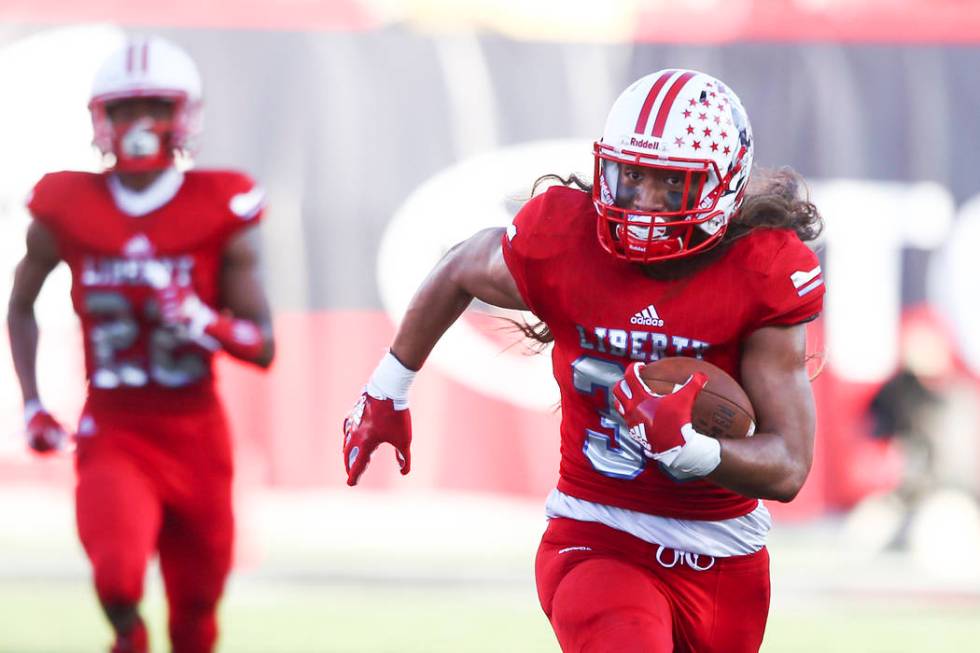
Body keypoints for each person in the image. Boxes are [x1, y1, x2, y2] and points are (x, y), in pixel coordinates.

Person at [343, 68, 825, 652]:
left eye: (670, 185)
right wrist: (387, 389)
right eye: (630, 177)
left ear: (721, 186)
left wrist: (691, 448)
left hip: (724, 555)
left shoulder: (761, 273)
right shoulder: (568, 242)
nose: (644, 203)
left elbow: (789, 467)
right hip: (598, 530)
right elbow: (460, 266)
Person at [7, 36, 274, 653]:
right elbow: (20, 304)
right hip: (116, 425)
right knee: (118, 578)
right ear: (101, 119)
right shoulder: (66, 205)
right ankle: (128, 636)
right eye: (124, 109)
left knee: (197, 611)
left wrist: (203, 320)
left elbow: (263, 346)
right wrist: (32, 402)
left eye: (153, 106)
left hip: (197, 432)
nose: (138, 125)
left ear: (184, 114)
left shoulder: (220, 204)